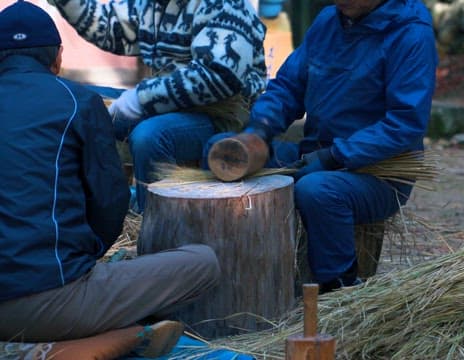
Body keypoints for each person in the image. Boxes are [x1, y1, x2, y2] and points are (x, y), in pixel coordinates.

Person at [0, 1, 221, 358]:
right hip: (48, 303)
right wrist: (86, 259)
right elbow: (110, 206)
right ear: (57, 57)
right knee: (204, 262)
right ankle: (97, 343)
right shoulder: (79, 102)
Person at [204, 0, 438, 293]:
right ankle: (227, 275)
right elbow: (288, 87)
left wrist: (335, 156)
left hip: (376, 173)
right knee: (219, 151)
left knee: (318, 191)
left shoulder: (410, 33)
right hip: (315, 153)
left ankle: (338, 289)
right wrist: (259, 132)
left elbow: (404, 124)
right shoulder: (329, 20)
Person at [47, 0, 268, 212]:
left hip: (223, 117)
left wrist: (141, 99)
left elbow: (219, 77)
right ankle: (86, 207)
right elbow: (110, 27)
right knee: (83, 102)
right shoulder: (153, 4)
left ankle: (152, 219)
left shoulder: (224, 5)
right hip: (169, 106)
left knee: (149, 136)